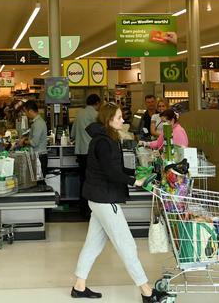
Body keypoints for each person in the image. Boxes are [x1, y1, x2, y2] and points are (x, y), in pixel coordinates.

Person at [71, 103, 153, 301]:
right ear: (108, 120)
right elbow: (110, 173)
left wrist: (135, 173)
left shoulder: (104, 139)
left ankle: (79, 286)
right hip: (106, 200)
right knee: (127, 245)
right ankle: (146, 291)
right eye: (118, 117)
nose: (122, 120)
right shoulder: (105, 142)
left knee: (93, 244)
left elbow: (112, 168)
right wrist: (135, 181)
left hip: (97, 198)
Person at [71, 94, 101, 216]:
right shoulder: (96, 115)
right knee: (92, 181)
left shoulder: (79, 114)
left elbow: (72, 134)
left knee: (83, 180)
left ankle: (82, 209)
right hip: (92, 153)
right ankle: (90, 210)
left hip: (81, 153)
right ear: (97, 103)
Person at [22, 100, 48, 178]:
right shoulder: (37, 122)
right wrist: (26, 138)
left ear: (30, 111)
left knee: (39, 182)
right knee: (38, 182)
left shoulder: (38, 123)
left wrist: (24, 142)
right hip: (38, 156)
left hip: (39, 157)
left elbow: (34, 142)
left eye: (25, 112)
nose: (25, 114)